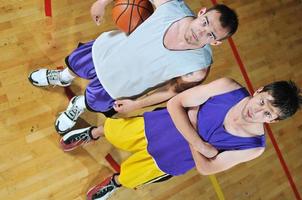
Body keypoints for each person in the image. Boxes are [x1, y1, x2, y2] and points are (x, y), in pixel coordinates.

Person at [59, 78, 301, 200]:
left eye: (267, 113)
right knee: (113, 131)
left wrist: (192, 124)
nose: (257, 112)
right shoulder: (227, 86)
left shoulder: (254, 147)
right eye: (262, 102)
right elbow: (175, 102)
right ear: (258, 91)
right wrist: (200, 144)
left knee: (130, 176)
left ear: (273, 121)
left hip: (170, 160)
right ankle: (92, 133)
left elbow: (207, 168)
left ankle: (113, 182)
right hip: (158, 127)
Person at [28, 1, 238, 134]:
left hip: (122, 86)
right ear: (201, 13)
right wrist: (102, 2)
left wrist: (136, 105)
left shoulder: (198, 67)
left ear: (216, 42)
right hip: (106, 51)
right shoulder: (172, 6)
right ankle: (63, 77)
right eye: (205, 23)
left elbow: (171, 91)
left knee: (91, 101)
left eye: (210, 35)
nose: (200, 33)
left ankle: (78, 105)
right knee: (74, 65)